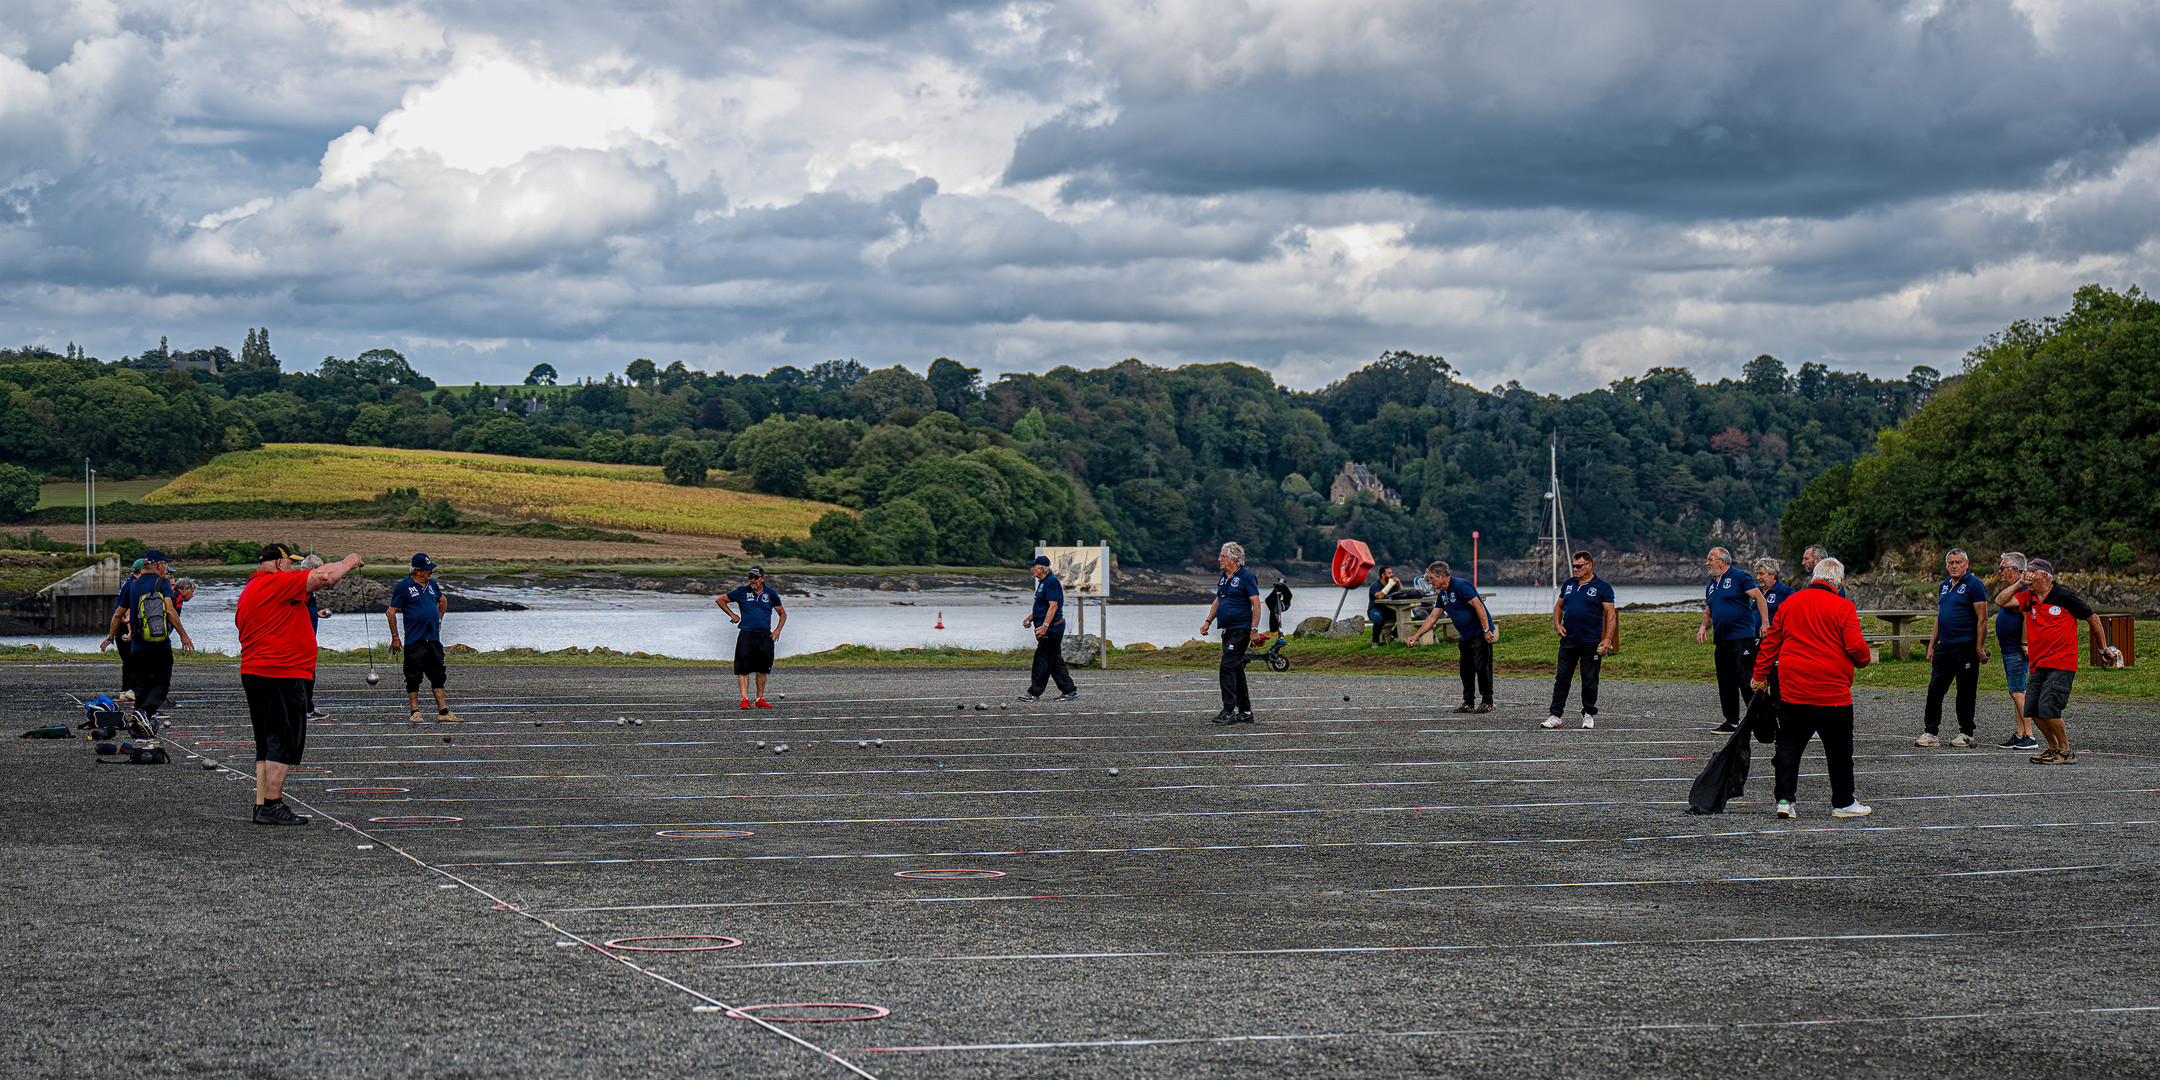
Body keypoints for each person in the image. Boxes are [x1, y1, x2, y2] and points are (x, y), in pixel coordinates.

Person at [236, 543, 364, 825]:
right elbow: (324, 577)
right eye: (290, 563)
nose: (293, 568)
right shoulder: (274, 582)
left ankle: (262, 803)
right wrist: (348, 561)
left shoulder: (251, 589)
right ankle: (271, 804)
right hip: (280, 673)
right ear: (280, 564)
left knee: (267, 740)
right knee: (283, 738)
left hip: (259, 671)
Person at [1752, 557, 1873, 819]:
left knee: (1788, 748)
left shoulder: (1789, 602)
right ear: (1839, 582)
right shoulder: (1844, 606)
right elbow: (1855, 646)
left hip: (1794, 690)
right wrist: (1864, 659)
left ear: (1814, 577)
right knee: (1839, 752)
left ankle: (1785, 800)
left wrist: (1759, 675)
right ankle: (1843, 802)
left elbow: (1771, 642)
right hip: (1833, 693)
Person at [1994, 558, 2120, 765]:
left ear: (2044, 576)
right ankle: (2053, 747)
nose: (2029, 577)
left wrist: (2103, 649)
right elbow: (2001, 601)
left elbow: (2094, 619)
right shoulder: (2028, 596)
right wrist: (2019, 584)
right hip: (2037, 662)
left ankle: (2066, 750)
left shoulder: (2064, 596)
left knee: (2049, 707)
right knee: (2032, 710)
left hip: (2062, 661)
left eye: (2032, 574)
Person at [99, 551, 193, 730]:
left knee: (140, 687)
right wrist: (183, 635)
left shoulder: (131, 585)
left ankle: (139, 726)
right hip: (160, 645)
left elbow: (118, 614)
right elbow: (170, 611)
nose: (166, 568)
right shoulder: (163, 583)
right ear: (158, 565)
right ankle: (145, 714)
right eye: (165, 565)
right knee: (161, 684)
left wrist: (110, 637)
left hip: (138, 647)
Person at [1914, 548, 1991, 748]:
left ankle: (1966, 733)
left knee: (1965, 692)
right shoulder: (1945, 586)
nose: (1954, 566)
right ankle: (1931, 732)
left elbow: (1982, 619)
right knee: (1935, 689)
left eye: (1958, 562)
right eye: (1951, 563)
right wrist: (1932, 645)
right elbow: (1940, 617)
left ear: (1966, 564)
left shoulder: (1975, 585)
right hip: (1945, 646)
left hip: (1965, 646)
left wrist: (1979, 648)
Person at [1698, 547, 1771, 733]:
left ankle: (1760, 720)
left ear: (1722, 561)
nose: (1707, 563)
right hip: (1722, 639)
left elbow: (1759, 597)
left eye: (1710, 559)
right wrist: (1702, 627)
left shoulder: (1739, 577)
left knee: (1745, 679)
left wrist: (1765, 624)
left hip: (1741, 638)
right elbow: (1709, 612)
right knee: (1726, 681)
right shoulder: (1711, 586)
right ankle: (1731, 721)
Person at [387, 553, 462, 724]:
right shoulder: (404, 586)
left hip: (433, 639)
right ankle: (415, 712)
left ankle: (443, 712)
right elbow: (391, 612)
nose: (431, 572)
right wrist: (395, 638)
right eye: (428, 570)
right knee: (413, 676)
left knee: (438, 674)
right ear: (418, 571)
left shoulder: (432, 584)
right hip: (415, 639)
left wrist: (439, 620)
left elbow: (442, 600)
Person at [1411, 561, 1494, 713]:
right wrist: (1416, 636)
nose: (1429, 582)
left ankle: (1487, 701)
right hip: (1466, 636)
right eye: (1428, 579)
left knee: (1482, 667)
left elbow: (1479, 606)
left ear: (1442, 576)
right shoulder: (1443, 594)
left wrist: (1486, 629)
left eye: (1431, 578)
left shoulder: (1461, 586)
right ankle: (1468, 703)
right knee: (1465, 669)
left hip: (1479, 633)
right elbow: (1432, 618)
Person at [1545, 550, 1616, 729]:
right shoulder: (1568, 584)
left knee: (1589, 679)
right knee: (1562, 678)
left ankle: (1589, 714)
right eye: (1573, 566)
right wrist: (1557, 625)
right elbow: (1558, 607)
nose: (1575, 569)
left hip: (1591, 642)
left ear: (1589, 566)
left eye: (1579, 566)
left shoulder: (1602, 587)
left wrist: (1607, 639)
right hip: (1569, 640)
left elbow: (1610, 614)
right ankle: (1555, 715)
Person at [1200, 542, 1262, 724]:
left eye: (1223, 556)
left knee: (1227, 666)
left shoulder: (1246, 577)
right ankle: (1245, 711)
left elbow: (1256, 604)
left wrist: (1254, 629)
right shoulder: (1224, 577)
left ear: (1234, 559)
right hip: (1227, 630)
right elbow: (1218, 600)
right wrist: (1208, 621)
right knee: (1236, 668)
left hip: (1241, 629)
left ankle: (1228, 710)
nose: (1219, 559)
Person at [717, 566, 786, 709]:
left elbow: (782, 613)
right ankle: (745, 699)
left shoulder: (771, 594)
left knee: (762, 668)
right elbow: (720, 600)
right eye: (750, 577)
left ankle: (759, 699)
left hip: (764, 635)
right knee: (743, 668)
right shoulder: (742, 591)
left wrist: (778, 630)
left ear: (762, 578)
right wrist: (732, 615)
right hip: (746, 634)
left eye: (755, 577)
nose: (752, 580)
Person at [1990, 552, 2038, 750]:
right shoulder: (2013, 589)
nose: (2000, 572)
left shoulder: (2023, 589)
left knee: (2018, 692)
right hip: (2008, 647)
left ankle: (2030, 735)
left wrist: (2025, 642)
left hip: (2016, 649)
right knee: (2015, 692)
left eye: (2003, 569)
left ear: (2015, 570)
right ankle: (2020, 733)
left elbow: (2028, 615)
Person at [1017, 555, 1079, 701]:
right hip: (1048, 627)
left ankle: (1034, 693)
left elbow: (1053, 606)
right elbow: (1042, 606)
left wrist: (1045, 626)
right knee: (1055, 660)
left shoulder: (1051, 582)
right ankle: (1069, 690)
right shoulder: (1043, 582)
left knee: (1042, 659)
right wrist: (1030, 618)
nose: (1031, 569)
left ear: (1041, 568)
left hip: (1052, 629)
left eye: (1034, 566)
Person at [297, 556, 335, 721]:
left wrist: (316, 614)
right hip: (302, 640)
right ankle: (306, 709)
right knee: (305, 675)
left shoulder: (308, 588)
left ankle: (307, 707)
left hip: (309, 636)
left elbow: (301, 608)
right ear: (312, 569)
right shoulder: (302, 585)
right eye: (320, 569)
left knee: (309, 674)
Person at [1367, 566, 1402, 645]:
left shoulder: (1393, 585)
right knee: (1378, 620)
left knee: (1403, 616)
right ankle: (1375, 642)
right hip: (1375, 609)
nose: (1392, 575)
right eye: (1389, 573)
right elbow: (1379, 596)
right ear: (1383, 575)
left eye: (1391, 573)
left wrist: (1399, 583)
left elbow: (1403, 593)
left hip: (1388, 609)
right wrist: (1390, 585)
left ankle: (1392, 636)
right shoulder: (1375, 585)